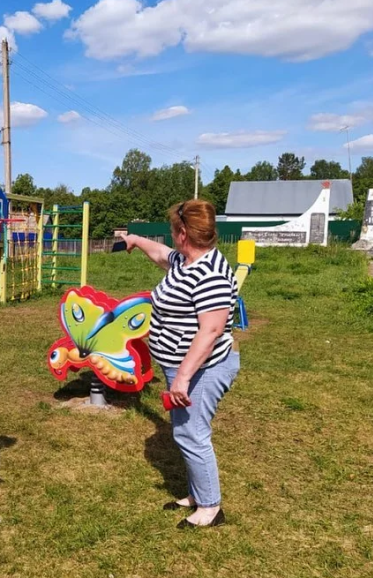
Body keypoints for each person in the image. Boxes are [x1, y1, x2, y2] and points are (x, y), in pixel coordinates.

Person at [121, 199, 240, 529]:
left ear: (183, 233)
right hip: (182, 367)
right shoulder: (185, 261)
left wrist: (183, 377)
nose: (171, 237)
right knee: (185, 431)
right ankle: (198, 493)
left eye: (174, 230)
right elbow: (160, 254)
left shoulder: (210, 273)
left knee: (191, 434)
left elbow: (212, 329)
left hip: (203, 368)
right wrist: (135, 240)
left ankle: (210, 508)